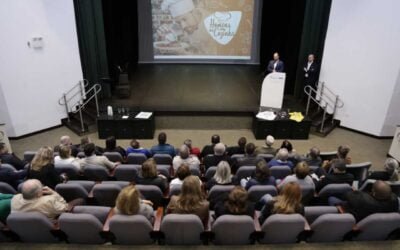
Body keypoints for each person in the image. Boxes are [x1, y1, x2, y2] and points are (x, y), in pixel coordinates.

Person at [11, 179, 82, 220]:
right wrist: (54, 193)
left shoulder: (15, 199)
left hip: (27, 229)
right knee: (80, 200)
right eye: (41, 187)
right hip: (51, 227)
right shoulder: (48, 201)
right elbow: (65, 207)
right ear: (38, 194)